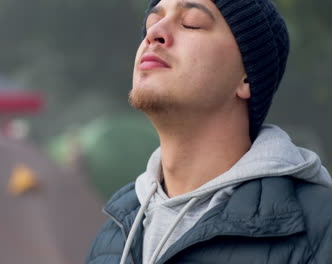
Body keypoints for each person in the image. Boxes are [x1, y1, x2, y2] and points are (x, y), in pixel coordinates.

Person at [86, 0, 332, 263]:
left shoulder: (319, 228)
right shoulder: (112, 237)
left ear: (247, 77)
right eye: (150, 23)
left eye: (191, 23)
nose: (154, 33)